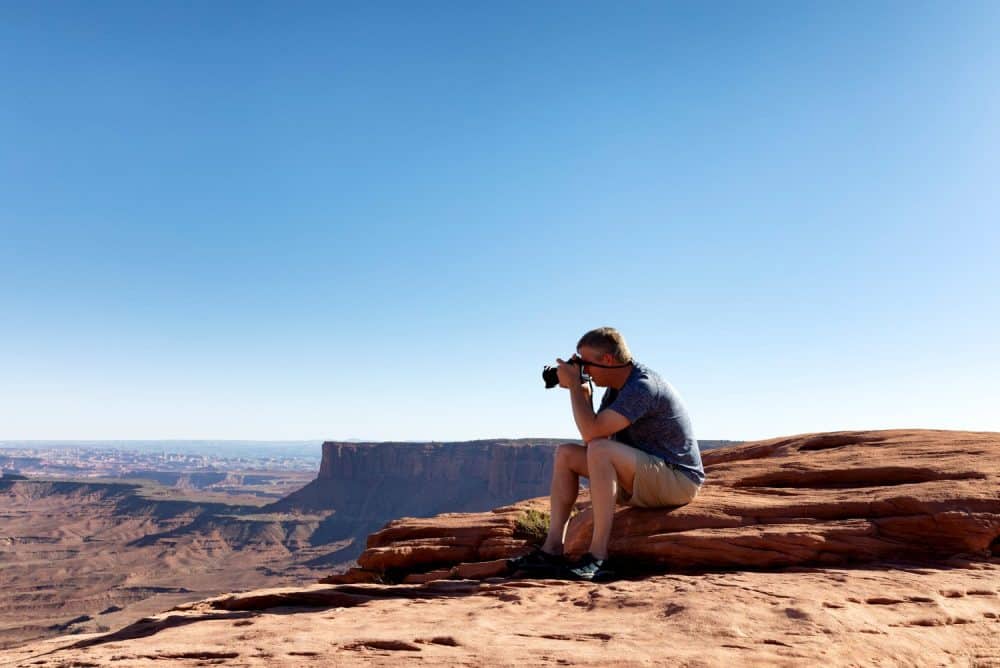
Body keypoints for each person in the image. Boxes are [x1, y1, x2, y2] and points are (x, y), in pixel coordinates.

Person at [509, 326, 704, 581]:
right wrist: (584, 395)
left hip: (678, 480)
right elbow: (593, 438)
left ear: (608, 360)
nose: (583, 370)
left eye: (585, 363)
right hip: (644, 478)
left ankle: (599, 557)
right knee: (567, 454)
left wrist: (577, 389)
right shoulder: (616, 388)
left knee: (600, 450)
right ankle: (552, 549)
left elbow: (594, 439)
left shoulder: (642, 386)